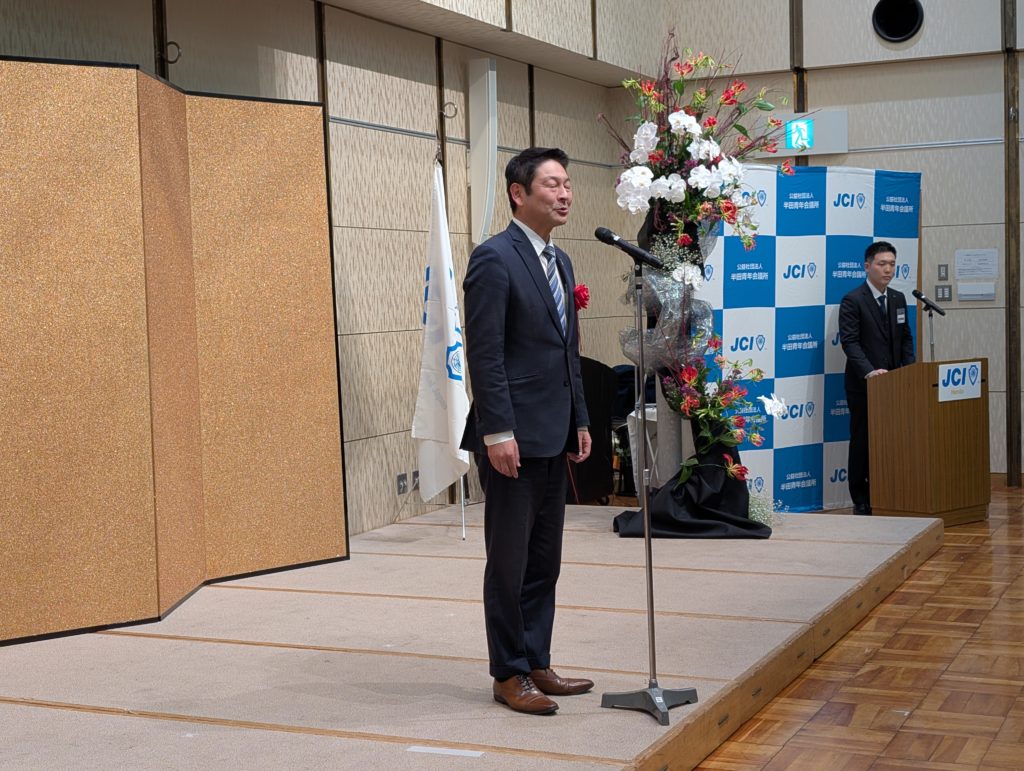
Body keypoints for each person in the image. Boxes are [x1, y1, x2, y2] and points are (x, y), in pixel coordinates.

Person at [460, 147, 593, 715]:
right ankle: (509, 673)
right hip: (511, 437)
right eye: (552, 184)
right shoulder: (494, 258)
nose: (564, 194)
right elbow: (485, 354)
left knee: (544, 561)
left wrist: (581, 417)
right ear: (519, 193)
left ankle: (537, 660)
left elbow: (569, 351)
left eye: (567, 184)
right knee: (509, 562)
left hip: (553, 431)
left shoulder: (560, 261)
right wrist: (497, 432)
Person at [838, 241, 915, 515]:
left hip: (894, 384)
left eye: (892, 264)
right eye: (882, 264)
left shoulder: (898, 298)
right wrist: (870, 371)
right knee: (863, 440)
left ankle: (889, 491)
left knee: (892, 439)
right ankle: (861, 498)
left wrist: (909, 371)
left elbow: (906, 338)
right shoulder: (853, 300)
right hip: (864, 384)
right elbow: (850, 343)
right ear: (867, 266)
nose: (888, 270)